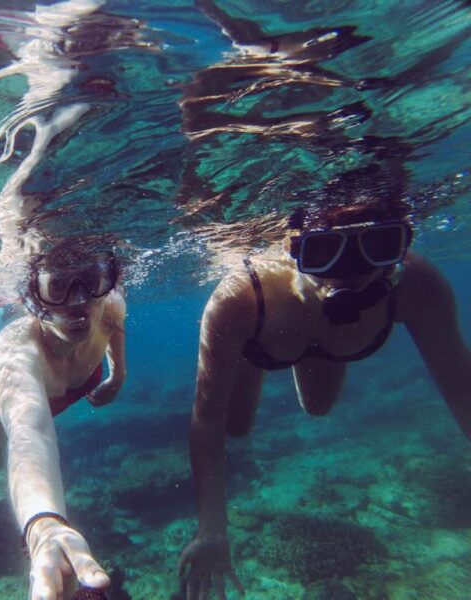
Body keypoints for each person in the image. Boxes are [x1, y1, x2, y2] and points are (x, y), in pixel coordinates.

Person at [179, 197, 471, 599]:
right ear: (290, 247)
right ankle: (256, 353)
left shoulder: (419, 285)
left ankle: (302, 343)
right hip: (263, 334)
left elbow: (461, 386)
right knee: (236, 426)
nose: (349, 273)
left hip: (327, 346)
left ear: (402, 244)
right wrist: (211, 527)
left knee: (318, 407)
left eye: (378, 245)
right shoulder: (239, 298)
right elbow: (207, 417)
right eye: (323, 250)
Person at [0, 241, 127, 600]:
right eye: (58, 285)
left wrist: (117, 375)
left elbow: (114, 328)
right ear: (33, 294)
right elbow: (30, 432)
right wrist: (43, 525)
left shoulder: (108, 306)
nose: (79, 302)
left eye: (90, 280)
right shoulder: (17, 351)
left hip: (43, 392)